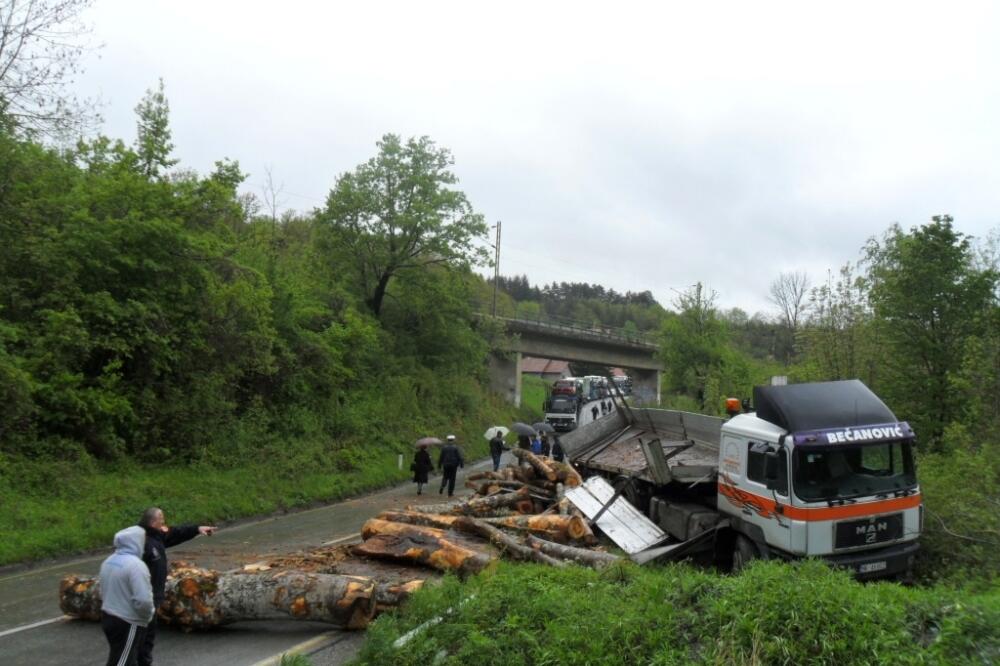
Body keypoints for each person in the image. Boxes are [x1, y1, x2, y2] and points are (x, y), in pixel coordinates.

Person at [138, 508, 216, 666]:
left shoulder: (157, 535)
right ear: (153, 522)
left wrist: (197, 529)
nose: (164, 523)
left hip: (153, 599)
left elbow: (175, 533)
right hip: (142, 599)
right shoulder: (143, 543)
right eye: (162, 520)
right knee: (140, 640)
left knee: (148, 640)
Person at [99, 526, 154, 666]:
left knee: (119, 656)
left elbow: (102, 590)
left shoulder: (109, 561)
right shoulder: (136, 566)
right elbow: (144, 600)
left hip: (108, 616)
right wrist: (147, 616)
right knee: (123, 661)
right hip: (128, 621)